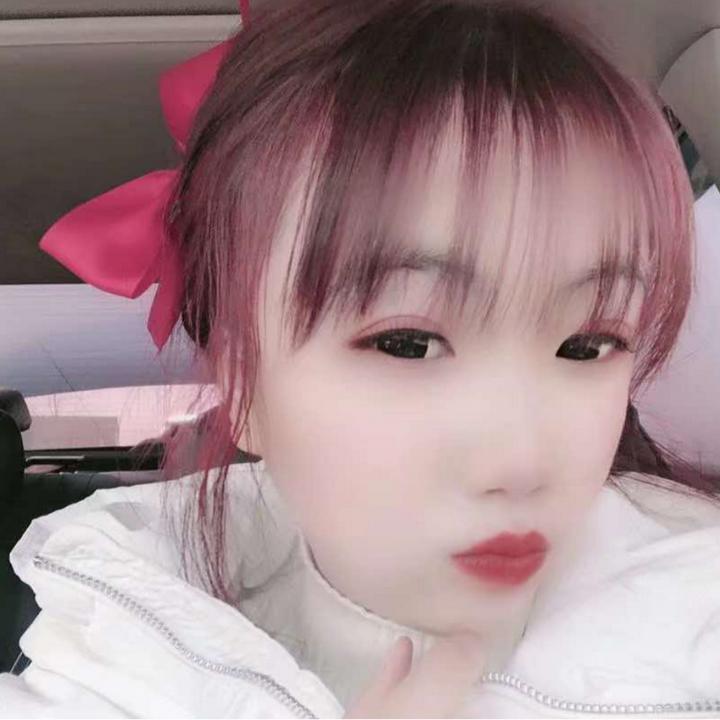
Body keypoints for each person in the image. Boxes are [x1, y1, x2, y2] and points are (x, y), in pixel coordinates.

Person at [2, 0, 720, 717]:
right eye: (408, 343)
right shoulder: (112, 656)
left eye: (588, 345)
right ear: (244, 384)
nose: (523, 464)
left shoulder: (696, 613)